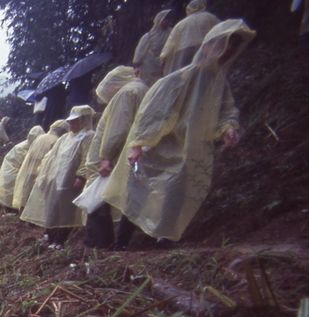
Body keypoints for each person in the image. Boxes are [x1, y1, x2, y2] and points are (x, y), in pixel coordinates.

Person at [105, 20, 255, 246]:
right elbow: (154, 112)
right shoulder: (180, 78)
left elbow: (226, 110)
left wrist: (228, 128)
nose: (230, 49)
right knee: (139, 191)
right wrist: (138, 144)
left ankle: (164, 238)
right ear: (208, 45)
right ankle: (122, 243)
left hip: (189, 148)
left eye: (235, 45)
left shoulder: (219, 83)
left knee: (176, 192)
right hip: (159, 145)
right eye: (226, 43)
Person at [78, 67, 149, 250]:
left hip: (114, 157)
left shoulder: (126, 93)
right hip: (129, 152)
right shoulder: (142, 89)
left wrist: (106, 157)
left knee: (98, 201)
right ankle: (115, 243)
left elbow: (117, 128)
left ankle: (99, 246)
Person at [21, 105, 96, 249]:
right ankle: (49, 235)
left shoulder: (89, 136)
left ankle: (60, 240)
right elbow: (51, 157)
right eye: (70, 121)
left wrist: (81, 175)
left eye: (75, 121)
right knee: (52, 207)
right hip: (56, 177)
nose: (71, 124)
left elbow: (87, 157)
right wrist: (43, 174)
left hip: (71, 179)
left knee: (66, 209)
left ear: (84, 120)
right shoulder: (65, 138)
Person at [13, 120, 68, 211]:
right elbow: (51, 158)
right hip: (41, 172)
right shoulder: (57, 141)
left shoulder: (40, 137)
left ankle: (22, 213)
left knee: (26, 193)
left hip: (30, 169)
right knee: (37, 197)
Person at [160, 1, 221, 76]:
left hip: (184, 50)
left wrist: (164, 57)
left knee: (184, 74)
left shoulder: (181, 23)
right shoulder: (211, 18)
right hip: (205, 49)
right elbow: (221, 32)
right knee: (202, 73)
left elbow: (171, 42)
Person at [0, 125, 44, 209]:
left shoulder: (31, 146)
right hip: (12, 170)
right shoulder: (21, 148)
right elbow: (25, 162)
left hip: (15, 169)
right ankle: (12, 207)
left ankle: (14, 207)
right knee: (12, 188)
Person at [134, 9, 175, 87]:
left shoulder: (171, 33)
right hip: (149, 65)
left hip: (165, 64)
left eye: (169, 19)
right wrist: (137, 66)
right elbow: (140, 51)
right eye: (166, 19)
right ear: (159, 20)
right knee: (148, 85)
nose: (168, 21)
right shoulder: (149, 36)